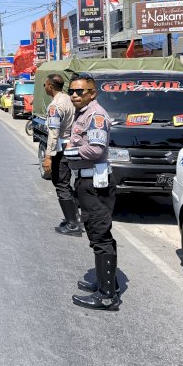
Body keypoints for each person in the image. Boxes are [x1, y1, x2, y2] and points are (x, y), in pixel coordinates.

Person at [64, 73, 120, 311]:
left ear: (92, 93)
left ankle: (107, 296)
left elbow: (96, 149)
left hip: (95, 183)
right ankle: (108, 283)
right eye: (72, 92)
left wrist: (70, 152)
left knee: (100, 235)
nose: (75, 95)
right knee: (99, 232)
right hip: (87, 181)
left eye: (80, 92)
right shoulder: (83, 114)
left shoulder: (95, 116)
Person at [42, 74, 78, 236]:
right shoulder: (68, 99)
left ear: (50, 86)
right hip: (70, 146)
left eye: (45, 85)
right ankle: (73, 216)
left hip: (60, 149)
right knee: (62, 182)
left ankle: (72, 224)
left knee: (61, 184)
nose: (44, 87)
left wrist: (48, 156)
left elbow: (54, 132)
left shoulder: (55, 106)